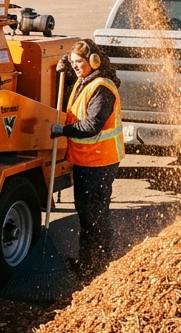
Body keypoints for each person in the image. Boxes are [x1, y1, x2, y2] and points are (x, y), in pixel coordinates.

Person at [49, 39, 125, 277]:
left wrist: (63, 131)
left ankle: (99, 267)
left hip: (100, 163)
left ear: (94, 61)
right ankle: (88, 263)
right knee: (87, 216)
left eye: (79, 62)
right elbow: (77, 97)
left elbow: (93, 124)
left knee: (95, 218)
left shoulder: (102, 88)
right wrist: (65, 71)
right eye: (72, 63)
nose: (75, 67)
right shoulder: (85, 81)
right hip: (86, 161)